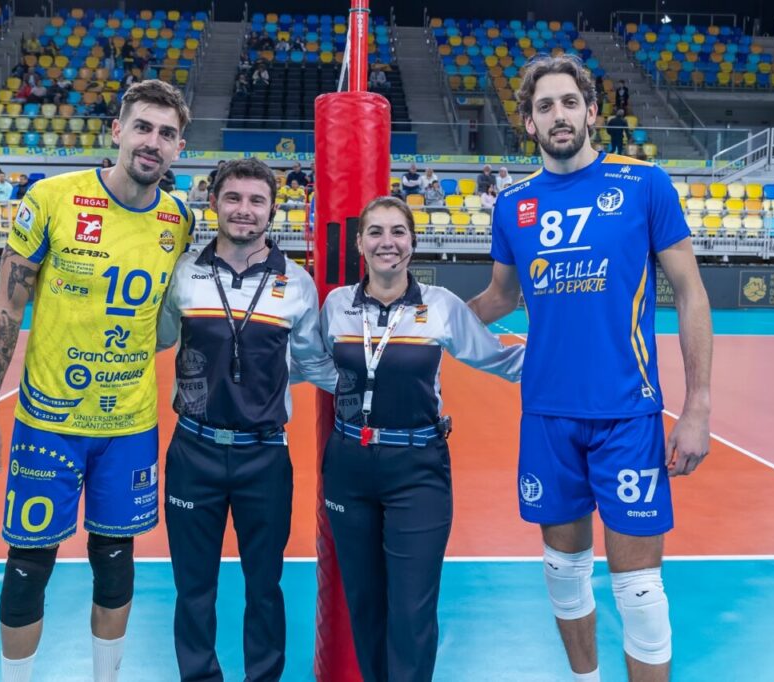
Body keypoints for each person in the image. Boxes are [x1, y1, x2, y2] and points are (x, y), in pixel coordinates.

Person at [468, 54, 712, 682]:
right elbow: (500, 297)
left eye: (570, 102)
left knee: (640, 591)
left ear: (593, 113)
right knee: (563, 574)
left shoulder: (644, 184)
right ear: (528, 123)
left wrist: (698, 406)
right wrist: (424, 316)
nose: (560, 115)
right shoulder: (513, 204)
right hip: (548, 415)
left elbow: (691, 292)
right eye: (545, 106)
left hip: (627, 415)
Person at [0, 79, 195, 682]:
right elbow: (7, 309)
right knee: (28, 565)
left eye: (167, 134)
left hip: (129, 425)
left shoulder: (179, 220)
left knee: (115, 563)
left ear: (179, 147)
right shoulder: (52, 199)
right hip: (49, 420)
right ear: (117, 131)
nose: (153, 142)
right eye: (142, 127)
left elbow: (169, 318)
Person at [318, 196, 523, 681]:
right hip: (348, 467)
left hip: (417, 470)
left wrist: (573, 356)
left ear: (412, 241)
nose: (387, 242)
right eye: (375, 232)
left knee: (411, 610)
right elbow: (313, 363)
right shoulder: (336, 305)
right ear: (359, 243)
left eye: (398, 232)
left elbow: (500, 359)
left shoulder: (442, 305)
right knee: (364, 604)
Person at [155, 158, 330, 682]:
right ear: (214, 203)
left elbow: (314, 362)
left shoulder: (296, 283)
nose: (244, 210)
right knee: (193, 587)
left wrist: (386, 391)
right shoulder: (184, 273)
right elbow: (156, 337)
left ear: (272, 210)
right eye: (233, 198)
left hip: (264, 455)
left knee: (264, 586)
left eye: (257, 200)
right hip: (194, 451)